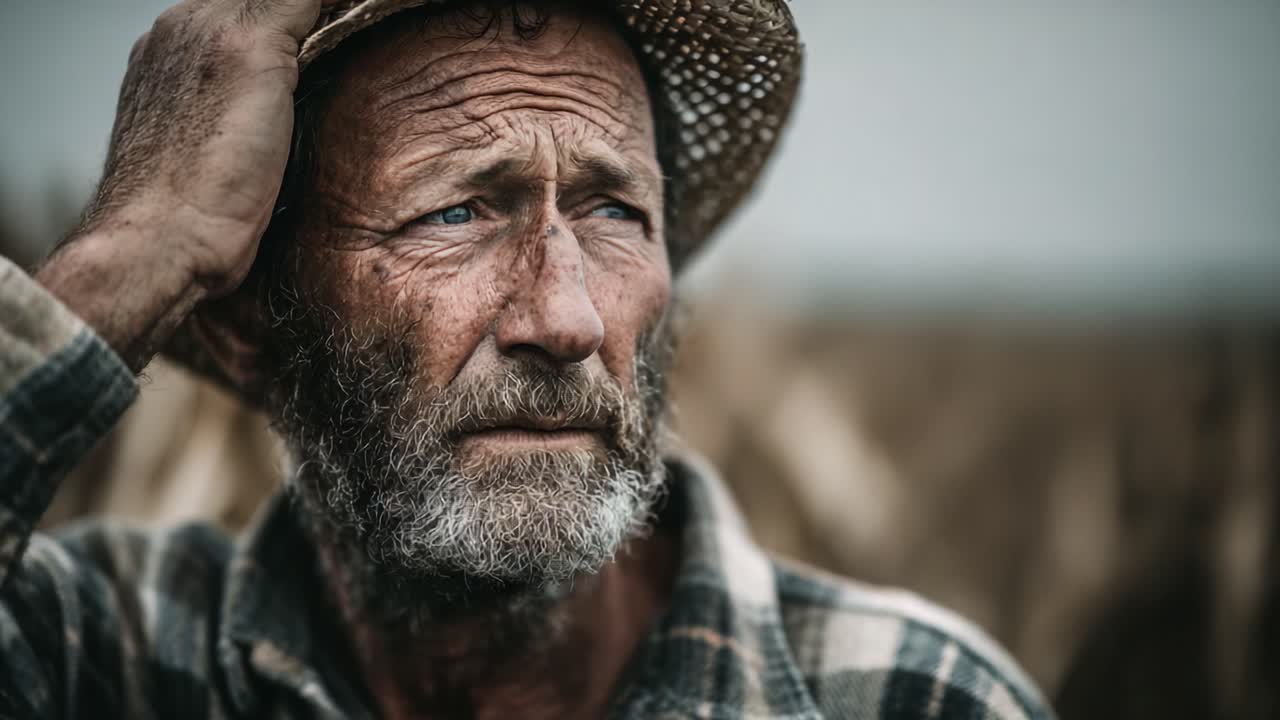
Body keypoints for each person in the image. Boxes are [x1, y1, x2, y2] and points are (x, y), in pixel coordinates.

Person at [0, 0, 1053, 717]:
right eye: (456, 210)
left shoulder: (917, 697)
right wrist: (125, 256)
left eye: (612, 212)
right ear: (249, 321)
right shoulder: (101, 660)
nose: (566, 318)